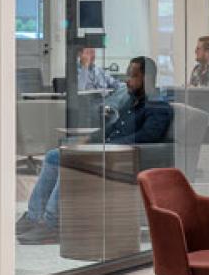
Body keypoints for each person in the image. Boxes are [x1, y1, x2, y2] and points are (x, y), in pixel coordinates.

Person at [18, 56, 174, 245]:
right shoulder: (132, 102)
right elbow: (112, 128)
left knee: (70, 160)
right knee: (54, 156)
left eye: (132, 76)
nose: (127, 80)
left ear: (146, 79)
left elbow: (147, 137)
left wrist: (108, 146)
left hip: (123, 160)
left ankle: (53, 223)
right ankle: (35, 217)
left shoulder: (158, 106)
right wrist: (90, 139)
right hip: (108, 151)